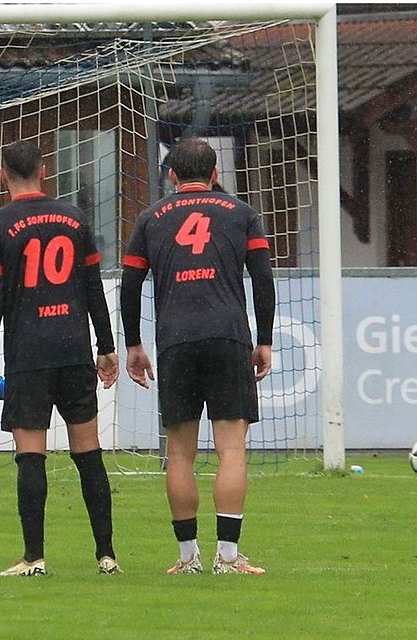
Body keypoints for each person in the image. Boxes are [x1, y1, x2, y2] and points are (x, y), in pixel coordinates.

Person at [120, 137, 276, 575]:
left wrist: (134, 343)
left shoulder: (151, 218)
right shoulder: (242, 214)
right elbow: (262, 279)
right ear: (214, 174)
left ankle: (188, 558)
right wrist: (263, 339)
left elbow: (130, 286)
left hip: (176, 341)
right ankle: (228, 557)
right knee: (232, 450)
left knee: (181, 453)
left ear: (171, 175)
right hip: (228, 337)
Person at [0, 140, 121, 577]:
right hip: (74, 351)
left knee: (30, 455)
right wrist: (106, 345)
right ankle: (106, 555)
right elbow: (94, 287)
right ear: (45, 170)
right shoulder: (75, 218)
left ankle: (34, 558)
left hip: (29, 356)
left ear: (3, 174)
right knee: (89, 452)